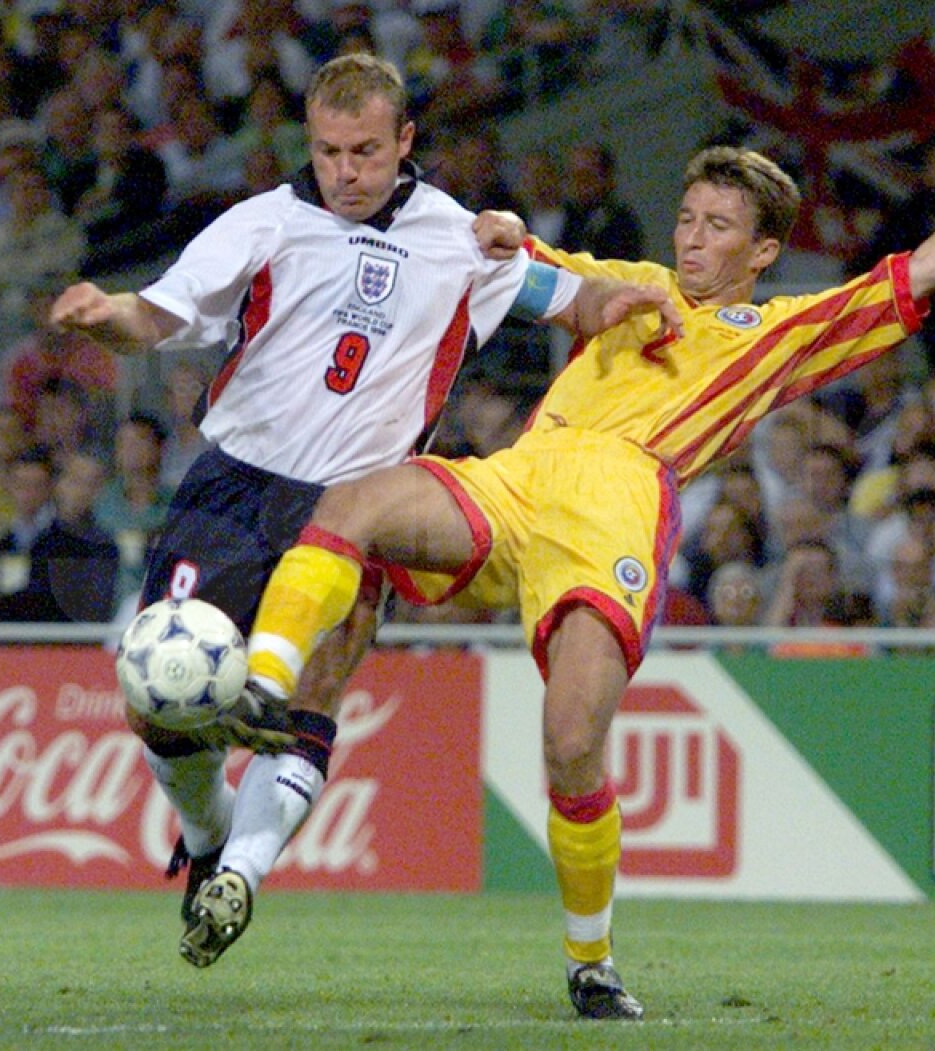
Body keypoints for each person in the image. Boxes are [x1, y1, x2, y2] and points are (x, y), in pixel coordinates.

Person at [241, 140, 935, 1019]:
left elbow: (931, 263)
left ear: (762, 252)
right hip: (515, 479)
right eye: (689, 218)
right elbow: (518, 260)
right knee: (351, 503)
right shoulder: (629, 280)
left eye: (719, 226)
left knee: (572, 738)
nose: (693, 238)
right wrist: (497, 228)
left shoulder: (777, 334)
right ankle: (262, 687)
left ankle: (591, 960)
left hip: (616, 511)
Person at [48, 52, 678, 977]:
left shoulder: (461, 238)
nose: (346, 170)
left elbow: (558, 296)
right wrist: (104, 312)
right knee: (160, 706)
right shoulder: (261, 223)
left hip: (355, 509)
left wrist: (610, 300)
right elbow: (156, 315)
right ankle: (208, 832)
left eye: (367, 152)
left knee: (311, 699)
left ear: (405, 142)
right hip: (232, 487)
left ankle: (244, 877)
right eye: (331, 150)